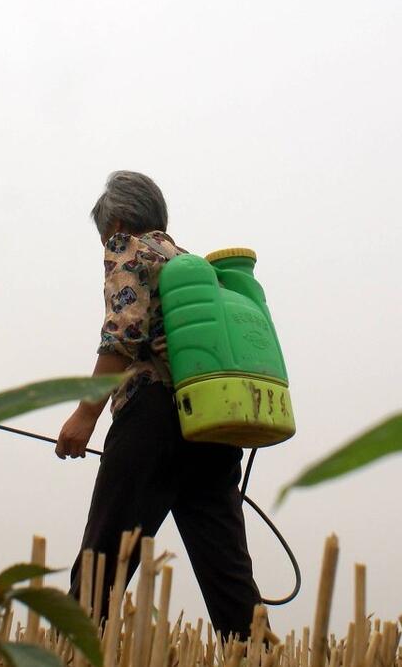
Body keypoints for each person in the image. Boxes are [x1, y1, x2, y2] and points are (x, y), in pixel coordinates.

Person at [56, 170, 262, 640]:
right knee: (232, 588)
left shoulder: (132, 247)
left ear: (120, 221)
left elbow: (123, 334)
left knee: (99, 571)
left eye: (106, 233)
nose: (108, 243)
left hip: (152, 422)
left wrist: (85, 414)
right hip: (212, 427)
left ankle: (70, 653)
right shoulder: (199, 270)